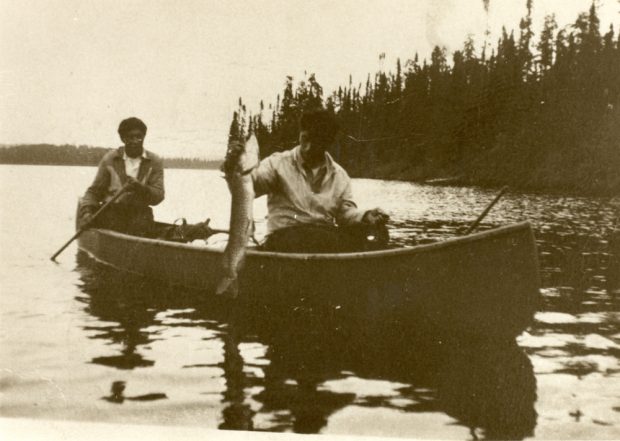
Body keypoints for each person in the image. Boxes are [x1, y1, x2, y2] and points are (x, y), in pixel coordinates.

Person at [251, 109, 389, 253]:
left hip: (322, 238)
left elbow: (345, 214)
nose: (306, 145)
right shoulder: (277, 164)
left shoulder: (339, 175)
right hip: (283, 237)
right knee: (322, 239)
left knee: (375, 232)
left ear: (327, 142)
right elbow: (253, 184)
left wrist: (365, 216)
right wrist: (235, 169)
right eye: (304, 138)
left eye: (314, 140)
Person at [78, 117, 165, 236]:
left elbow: (158, 196)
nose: (135, 141)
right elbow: (93, 192)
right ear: (123, 139)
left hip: (139, 215)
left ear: (144, 137)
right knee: (112, 219)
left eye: (139, 137)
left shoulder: (154, 162)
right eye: (130, 137)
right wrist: (87, 212)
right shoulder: (110, 159)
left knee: (142, 224)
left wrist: (140, 188)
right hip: (112, 213)